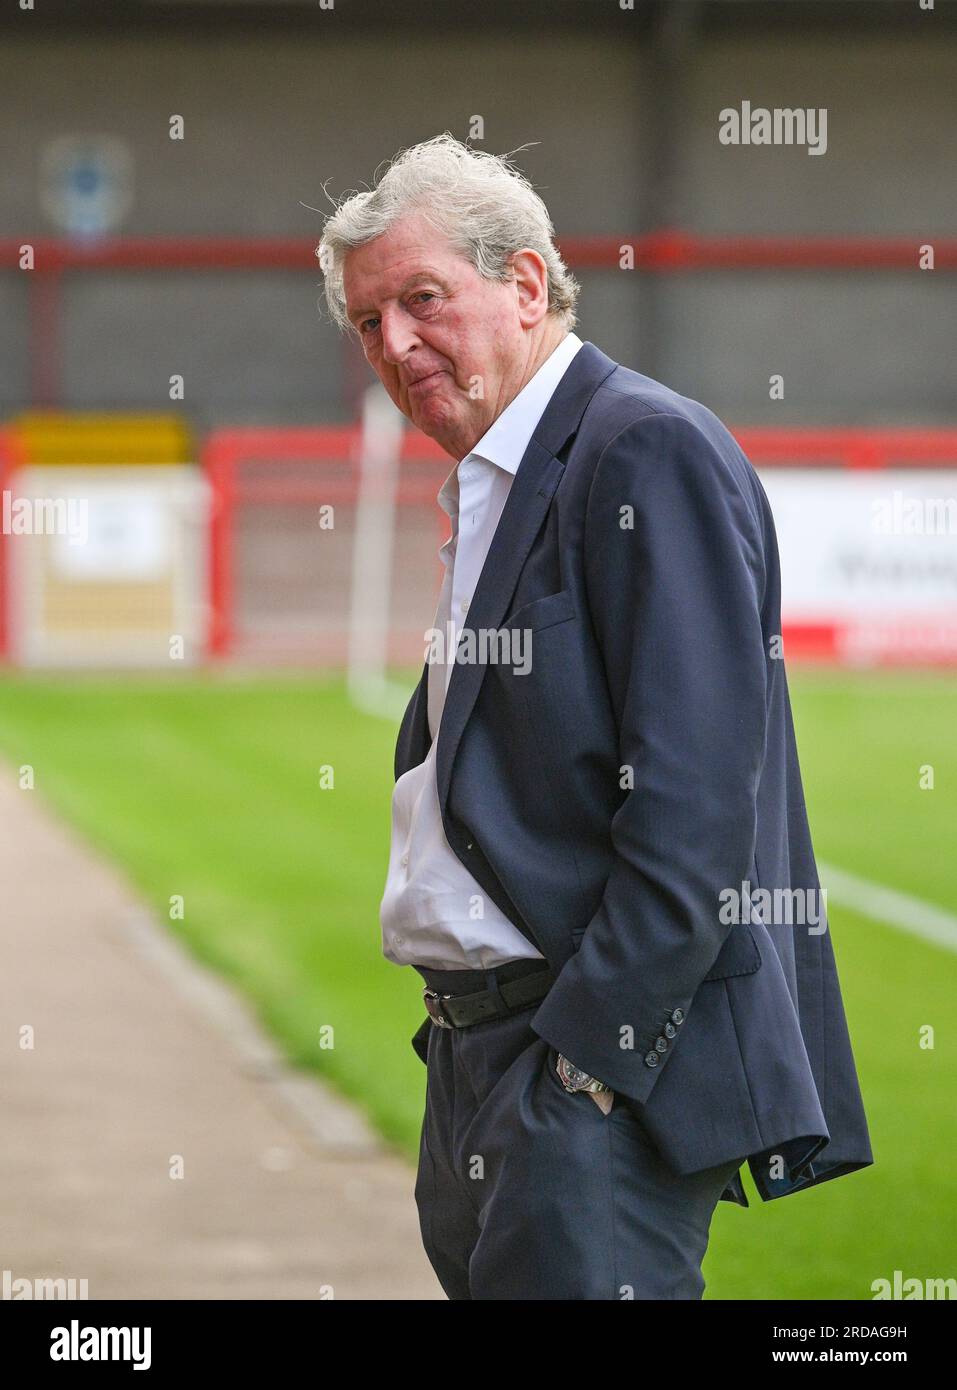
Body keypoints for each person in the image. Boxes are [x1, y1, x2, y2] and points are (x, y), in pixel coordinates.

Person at [318, 133, 873, 1301]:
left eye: (423, 299)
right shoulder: (492, 478)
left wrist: (586, 1068)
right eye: (369, 322)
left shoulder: (642, 450)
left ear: (525, 284)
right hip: (476, 1064)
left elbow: (695, 807)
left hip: (579, 1077)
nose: (397, 343)